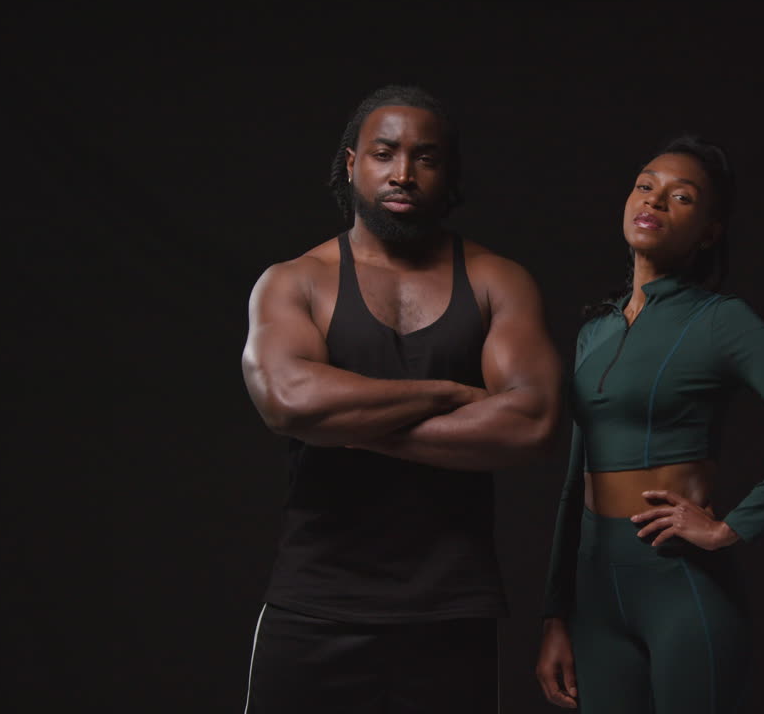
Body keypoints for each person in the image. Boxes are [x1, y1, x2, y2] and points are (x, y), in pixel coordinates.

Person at [240, 84, 562, 713]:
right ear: (352, 163)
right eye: (385, 153)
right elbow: (290, 400)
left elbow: (533, 420)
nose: (404, 173)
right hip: (315, 603)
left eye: (426, 158)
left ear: (449, 174)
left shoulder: (498, 280)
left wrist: (351, 426)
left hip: (450, 610)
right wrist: (445, 392)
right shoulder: (296, 280)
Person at [535, 135, 764, 712]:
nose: (653, 201)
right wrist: (556, 614)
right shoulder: (594, 332)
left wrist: (731, 528)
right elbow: (571, 480)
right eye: (645, 186)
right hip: (596, 594)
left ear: (709, 231)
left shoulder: (719, 321)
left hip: (679, 585)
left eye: (680, 197)